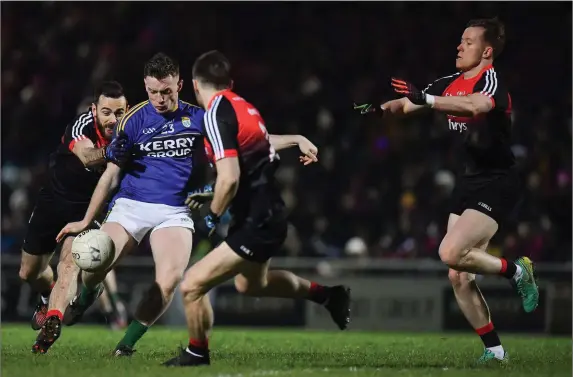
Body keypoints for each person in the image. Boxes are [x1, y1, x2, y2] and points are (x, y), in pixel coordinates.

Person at [56, 52, 325, 357]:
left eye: (166, 91)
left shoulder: (197, 117)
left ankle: (125, 346)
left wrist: (297, 139)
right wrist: (85, 220)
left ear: (180, 85)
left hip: (173, 211)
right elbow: (109, 176)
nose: (159, 98)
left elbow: (250, 139)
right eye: (153, 92)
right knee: (95, 263)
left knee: (169, 281)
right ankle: (90, 292)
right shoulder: (131, 120)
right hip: (130, 205)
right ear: (145, 87)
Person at [355, 17, 538, 364]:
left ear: (486, 50)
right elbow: (408, 104)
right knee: (458, 274)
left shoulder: (491, 81)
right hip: (468, 180)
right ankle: (495, 351)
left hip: (497, 180)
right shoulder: (448, 82)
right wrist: (379, 110)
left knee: (450, 252)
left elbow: (476, 106)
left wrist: (428, 99)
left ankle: (517, 272)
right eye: (460, 40)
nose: (459, 46)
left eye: (467, 42)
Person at [162, 50, 351, 367]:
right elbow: (258, 145)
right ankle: (328, 295)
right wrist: (297, 138)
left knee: (192, 285)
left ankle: (197, 352)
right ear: (229, 83)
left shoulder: (214, 114)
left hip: (256, 218)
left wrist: (212, 216)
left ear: (194, 85)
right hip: (266, 212)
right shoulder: (242, 105)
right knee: (250, 284)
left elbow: (230, 178)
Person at [27, 81, 132, 353]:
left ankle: (52, 322)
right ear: (94, 109)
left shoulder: (130, 131)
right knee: (29, 272)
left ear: (127, 110)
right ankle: (47, 296)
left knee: (69, 264)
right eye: (106, 112)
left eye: (119, 113)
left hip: (86, 209)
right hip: (53, 201)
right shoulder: (81, 125)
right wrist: (108, 152)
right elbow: (86, 156)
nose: (113, 119)